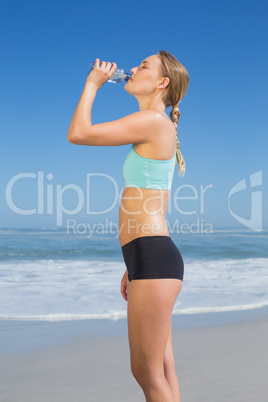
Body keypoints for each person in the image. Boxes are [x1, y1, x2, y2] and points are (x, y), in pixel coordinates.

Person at [67, 50, 189, 402]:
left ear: (162, 83)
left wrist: (93, 84)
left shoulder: (154, 121)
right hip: (148, 255)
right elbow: (158, 204)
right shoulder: (158, 125)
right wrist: (131, 266)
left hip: (152, 257)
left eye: (144, 66)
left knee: (147, 373)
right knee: (163, 369)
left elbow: (79, 133)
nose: (133, 69)